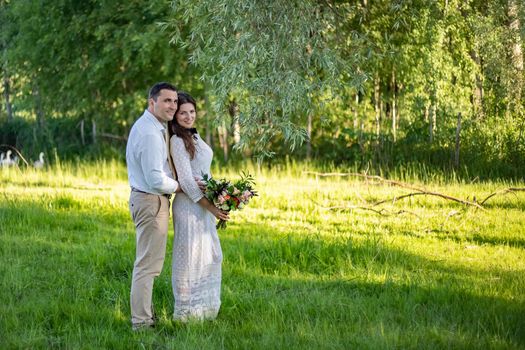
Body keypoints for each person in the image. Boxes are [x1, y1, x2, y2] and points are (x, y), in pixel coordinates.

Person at [168, 91, 229, 322]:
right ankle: (186, 314)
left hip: (204, 204)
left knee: (210, 255)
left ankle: (205, 310)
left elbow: (204, 173)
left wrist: (220, 193)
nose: (188, 116)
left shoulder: (195, 136)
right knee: (190, 257)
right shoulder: (176, 140)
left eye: (191, 111)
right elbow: (185, 181)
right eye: (183, 113)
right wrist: (211, 207)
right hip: (189, 205)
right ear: (175, 116)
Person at [126, 82, 180, 331]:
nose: (173, 105)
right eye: (167, 100)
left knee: (148, 265)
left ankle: (144, 318)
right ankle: (141, 323)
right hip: (150, 200)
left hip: (149, 199)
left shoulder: (154, 126)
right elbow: (155, 178)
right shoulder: (149, 133)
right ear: (152, 102)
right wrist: (181, 187)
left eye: (175, 101)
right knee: (147, 267)